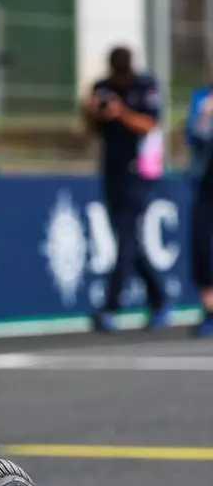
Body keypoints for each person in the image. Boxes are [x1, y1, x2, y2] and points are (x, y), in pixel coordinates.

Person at [83, 45, 172, 331]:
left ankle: (110, 305)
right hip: (112, 170)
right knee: (128, 239)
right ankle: (159, 299)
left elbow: (149, 125)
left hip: (140, 170)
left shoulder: (146, 86)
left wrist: (120, 113)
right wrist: (93, 112)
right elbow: (91, 129)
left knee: (126, 236)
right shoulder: (102, 87)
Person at [186, 64, 213, 336]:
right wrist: (205, 117)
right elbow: (192, 137)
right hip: (205, 183)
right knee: (201, 245)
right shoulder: (202, 99)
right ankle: (209, 307)